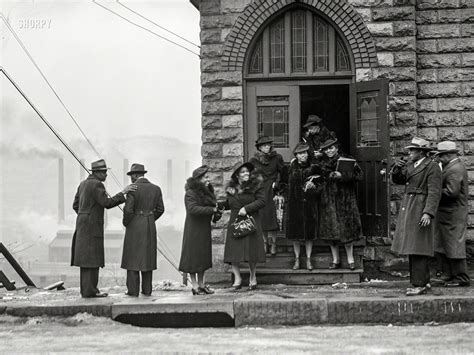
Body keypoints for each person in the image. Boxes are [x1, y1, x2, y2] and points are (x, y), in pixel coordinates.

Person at [71, 159, 136, 298]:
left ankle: (87, 290)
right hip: (92, 226)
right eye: (104, 172)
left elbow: (75, 205)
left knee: (85, 259)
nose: (106, 175)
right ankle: (91, 291)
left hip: (82, 224)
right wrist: (123, 192)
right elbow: (107, 203)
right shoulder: (97, 185)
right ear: (97, 173)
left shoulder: (83, 184)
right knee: (92, 258)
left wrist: (85, 215)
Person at [391, 137, 442, 296]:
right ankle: (423, 281)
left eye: (412, 150)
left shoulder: (432, 167)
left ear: (421, 152)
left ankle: (419, 284)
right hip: (410, 206)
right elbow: (399, 180)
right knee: (413, 246)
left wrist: (428, 212)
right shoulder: (412, 165)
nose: (409, 153)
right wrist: (397, 169)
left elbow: (434, 192)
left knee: (418, 246)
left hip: (420, 208)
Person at [317, 138, 363, 270]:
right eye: (326, 149)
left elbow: (359, 175)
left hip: (345, 201)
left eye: (331, 148)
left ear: (337, 148)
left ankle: (351, 259)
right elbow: (318, 179)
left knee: (347, 231)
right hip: (328, 200)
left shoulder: (347, 160)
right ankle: (335, 259)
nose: (329, 151)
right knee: (331, 232)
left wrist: (342, 175)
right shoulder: (321, 163)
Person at [220, 162, 266, 290]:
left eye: (247, 172)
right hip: (235, 222)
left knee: (251, 251)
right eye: (243, 172)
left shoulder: (256, 186)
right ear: (237, 175)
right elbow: (229, 203)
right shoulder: (231, 189)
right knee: (233, 252)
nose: (246, 174)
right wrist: (219, 206)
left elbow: (262, 201)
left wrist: (247, 208)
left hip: (250, 220)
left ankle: (253, 276)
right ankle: (238, 278)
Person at [121, 163, 164, 297]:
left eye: (131, 176)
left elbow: (128, 210)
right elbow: (161, 209)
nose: (131, 179)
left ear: (134, 176)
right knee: (147, 259)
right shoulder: (156, 189)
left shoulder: (132, 189)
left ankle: (132, 291)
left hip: (134, 226)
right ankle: (147, 290)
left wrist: (127, 222)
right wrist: (149, 219)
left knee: (132, 259)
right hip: (150, 225)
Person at [433, 141, 470, 287]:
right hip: (448, 213)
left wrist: (434, 193)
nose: (439, 159)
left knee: (454, 245)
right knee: (444, 245)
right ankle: (449, 274)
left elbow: (451, 192)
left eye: (441, 156)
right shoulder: (452, 166)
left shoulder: (455, 169)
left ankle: (461, 278)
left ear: (449, 155)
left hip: (453, 214)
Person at [179, 165, 219, 295]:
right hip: (193, 230)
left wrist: (217, 213)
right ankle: (195, 286)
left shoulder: (207, 193)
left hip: (203, 229)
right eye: (206, 177)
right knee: (193, 258)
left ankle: (201, 284)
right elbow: (193, 209)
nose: (208, 179)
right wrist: (211, 210)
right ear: (199, 180)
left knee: (202, 257)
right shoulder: (190, 193)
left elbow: (211, 210)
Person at [286, 142, 320, 270]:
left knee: (309, 234)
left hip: (309, 204)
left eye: (304, 153)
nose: (303, 156)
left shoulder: (314, 166)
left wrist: (314, 186)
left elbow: (321, 183)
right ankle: (297, 259)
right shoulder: (291, 167)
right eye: (300, 154)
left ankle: (309, 259)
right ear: (296, 155)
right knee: (296, 234)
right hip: (294, 204)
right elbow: (285, 183)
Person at [249, 136, 285, 255]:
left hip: (273, 189)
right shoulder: (253, 160)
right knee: (262, 217)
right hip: (260, 190)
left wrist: (277, 184)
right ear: (259, 147)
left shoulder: (277, 158)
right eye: (264, 145)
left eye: (268, 145)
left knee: (273, 217)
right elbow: (251, 176)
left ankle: (274, 243)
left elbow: (283, 173)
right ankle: (265, 242)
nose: (267, 147)